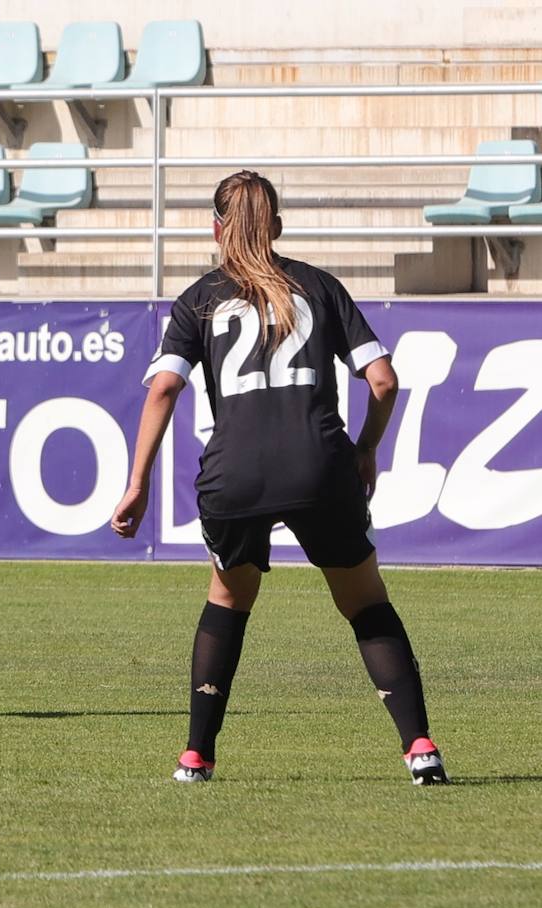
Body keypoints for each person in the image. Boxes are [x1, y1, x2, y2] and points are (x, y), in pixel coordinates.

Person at [110, 170, 448, 785]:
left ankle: (196, 756)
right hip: (320, 467)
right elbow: (384, 381)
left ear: (216, 229)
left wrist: (137, 483)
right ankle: (420, 747)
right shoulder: (319, 288)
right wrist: (366, 450)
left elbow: (163, 387)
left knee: (228, 602)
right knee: (366, 602)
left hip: (234, 474)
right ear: (279, 227)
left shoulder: (199, 299)